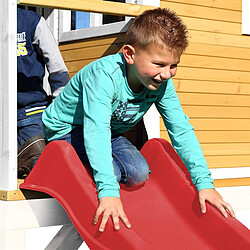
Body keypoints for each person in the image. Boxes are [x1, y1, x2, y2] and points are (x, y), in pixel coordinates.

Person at [42, 8, 235, 232]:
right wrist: (109, 192)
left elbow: (181, 130)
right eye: (159, 64)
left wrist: (204, 183)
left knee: (139, 173)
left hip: (109, 133)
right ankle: (46, 157)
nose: (166, 73)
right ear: (130, 54)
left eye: (173, 66)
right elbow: (96, 130)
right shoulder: (104, 77)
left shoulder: (162, 85)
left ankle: (98, 169)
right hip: (67, 130)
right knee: (111, 174)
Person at [17, 7, 70, 178]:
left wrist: (60, 110)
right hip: (3, 115)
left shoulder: (32, 21)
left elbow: (57, 70)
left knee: (41, 161)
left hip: (30, 110)